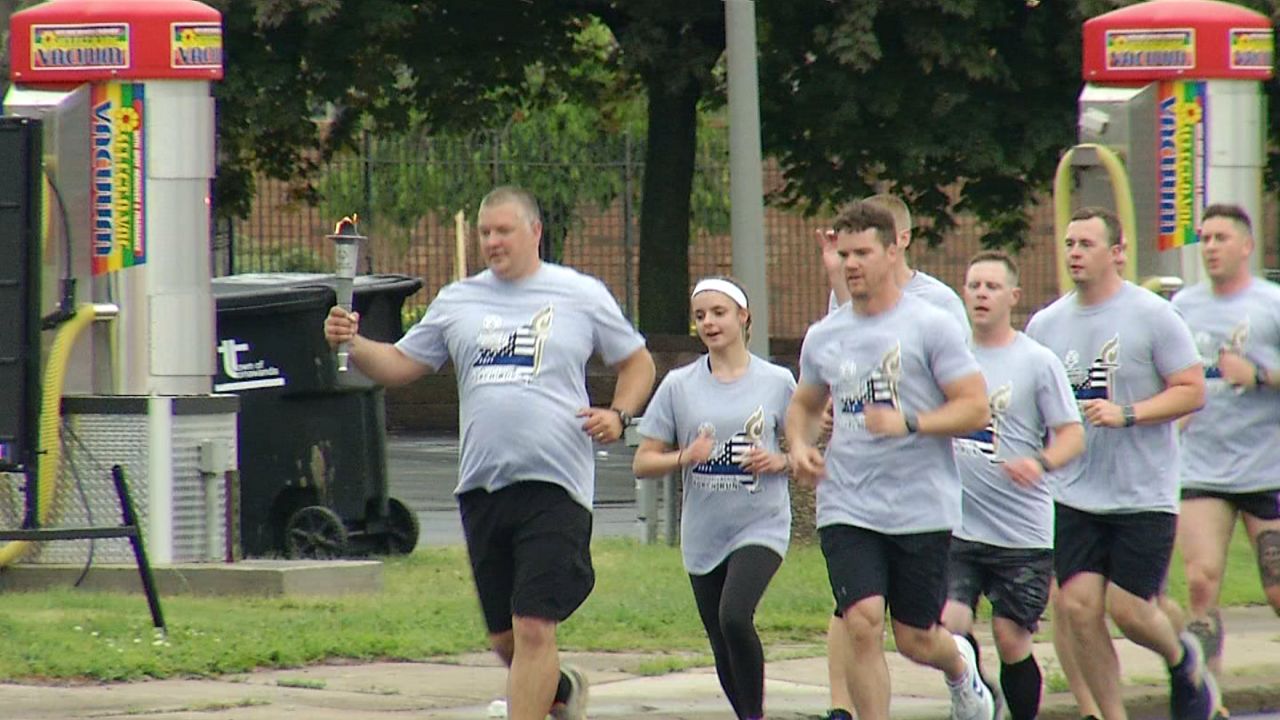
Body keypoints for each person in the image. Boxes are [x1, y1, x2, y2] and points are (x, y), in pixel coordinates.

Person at [322, 186, 655, 720]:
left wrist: (617, 414)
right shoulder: (459, 300)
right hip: (482, 485)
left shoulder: (579, 293)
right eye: (485, 232)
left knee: (532, 627)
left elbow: (638, 363)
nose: (493, 242)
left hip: (556, 481)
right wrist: (353, 343)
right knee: (505, 638)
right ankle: (561, 691)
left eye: (504, 230)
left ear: (535, 232)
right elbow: (400, 366)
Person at [786, 200, 995, 720]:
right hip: (848, 503)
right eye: (843, 252)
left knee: (916, 637)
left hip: (920, 505)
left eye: (861, 252)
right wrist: (799, 445)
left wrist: (912, 423)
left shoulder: (931, 324)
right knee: (861, 619)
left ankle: (960, 667)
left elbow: (975, 408)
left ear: (890, 252)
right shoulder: (826, 334)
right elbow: (805, 404)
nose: (850, 263)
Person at [1025, 206, 1215, 720]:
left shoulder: (1153, 316)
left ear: (1116, 252)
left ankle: (1181, 659)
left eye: (1086, 244)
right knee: (1078, 607)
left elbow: (1192, 390)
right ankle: (1113, 715)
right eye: (1069, 244)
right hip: (1074, 492)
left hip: (1142, 492)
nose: (1074, 254)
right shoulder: (1046, 324)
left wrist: (1129, 413)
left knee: (1129, 611)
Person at [632, 276, 796, 720]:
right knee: (721, 639)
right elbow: (643, 462)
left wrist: (778, 461)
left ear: (744, 317)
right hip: (704, 531)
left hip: (761, 522)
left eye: (719, 313)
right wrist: (686, 455)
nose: (709, 322)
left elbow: (807, 453)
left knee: (735, 617)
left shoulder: (778, 382)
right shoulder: (679, 386)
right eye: (700, 315)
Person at [944, 250, 1086, 720]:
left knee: (1010, 638)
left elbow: (1072, 434)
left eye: (992, 287)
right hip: (958, 526)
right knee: (949, 626)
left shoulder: (1036, 362)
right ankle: (979, 697)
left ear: (1013, 296)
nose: (981, 294)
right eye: (974, 285)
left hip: (1021, 531)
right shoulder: (949, 355)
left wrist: (1040, 462)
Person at [1171, 203, 1280, 707]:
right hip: (1202, 466)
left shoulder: (1271, 304)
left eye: (1220, 238)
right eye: (1205, 239)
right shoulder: (1182, 307)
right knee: (1200, 582)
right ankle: (1206, 700)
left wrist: (1257, 375)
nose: (1210, 247)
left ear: (1246, 246)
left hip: (1267, 467)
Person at [817, 193, 968, 328]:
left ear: (904, 238)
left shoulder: (940, 300)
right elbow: (844, 348)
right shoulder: (844, 291)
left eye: (863, 251)